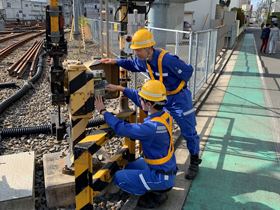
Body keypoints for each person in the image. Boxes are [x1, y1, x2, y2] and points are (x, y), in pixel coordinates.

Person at [99, 29, 201, 180]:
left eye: (138, 50)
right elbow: (132, 64)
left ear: (148, 48)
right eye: (135, 50)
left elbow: (188, 71)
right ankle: (157, 158)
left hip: (179, 99)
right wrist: (116, 61)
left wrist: (173, 86)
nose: (136, 54)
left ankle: (194, 161)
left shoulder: (168, 60)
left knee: (188, 131)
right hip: (161, 99)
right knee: (157, 127)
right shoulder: (143, 60)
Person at [95, 80, 177, 208]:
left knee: (118, 178)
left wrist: (103, 111)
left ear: (149, 104)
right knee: (129, 167)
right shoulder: (164, 112)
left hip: (161, 177)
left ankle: (153, 193)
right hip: (164, 167)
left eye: (142, 99)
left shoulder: (151, 128)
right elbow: (138, 97)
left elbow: (121, 128)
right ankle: (151, 185)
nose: (139, 99)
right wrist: (120, 88)